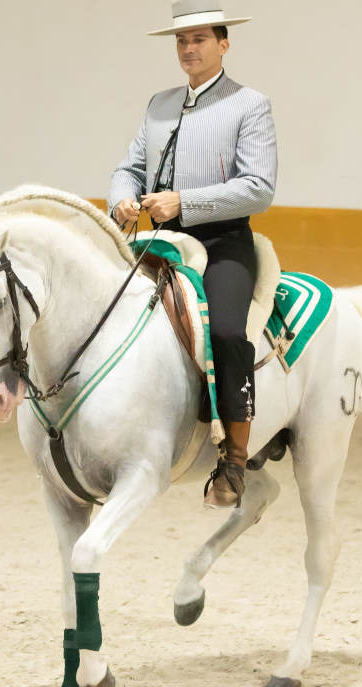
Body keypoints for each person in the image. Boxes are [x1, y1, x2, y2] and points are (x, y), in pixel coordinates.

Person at [109, 0, 277, 509]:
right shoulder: (159, 104)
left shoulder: (250, 104)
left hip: (223, 240)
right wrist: (121, 194)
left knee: (226, 331)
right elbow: (131, 166)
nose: (188, 49)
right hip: (161, 241)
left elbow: (259, 188)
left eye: (200, 39)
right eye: (182, 41)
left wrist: (185, 201)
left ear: (224, 44)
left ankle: (234, 457)